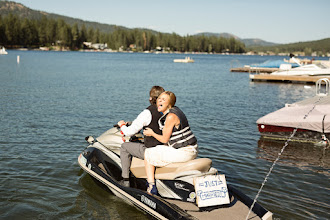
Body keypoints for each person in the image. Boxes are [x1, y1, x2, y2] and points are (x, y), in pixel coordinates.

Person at [143, 91, 198, 194]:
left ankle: (151, 186)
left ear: (169, 104)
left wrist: (152, 133)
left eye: (163, 100)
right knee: (158, 149)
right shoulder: (177, 111)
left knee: (148, 153)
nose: (159, 100)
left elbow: (164, 139)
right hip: (191, 149)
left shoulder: (170, 117)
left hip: (184, 152)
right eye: (159, 98)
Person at [117, 86, 165, 187]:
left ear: (150, 99)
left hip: (151, 150)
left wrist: (122, 125)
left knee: (124, 147)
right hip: (165, 148)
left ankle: (125, 180)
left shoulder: (148, 112)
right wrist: (131, 123)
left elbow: (129, 132)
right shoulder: (168, 111)